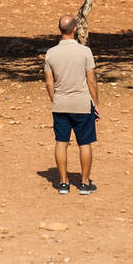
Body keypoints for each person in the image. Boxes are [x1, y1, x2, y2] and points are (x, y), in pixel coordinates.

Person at [44, 15, 100, 194]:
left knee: (61, 142)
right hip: (82, 104)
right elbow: (91, 81)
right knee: (85, 143)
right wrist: (96, 103)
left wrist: (56, 99)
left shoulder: (51, 53)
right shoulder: (85, 52)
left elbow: (49, 83)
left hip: (61, 104)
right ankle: (84, 183)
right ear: (75, 29)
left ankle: (63, 183)